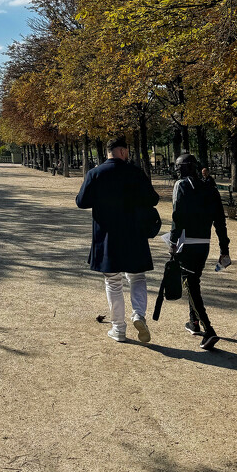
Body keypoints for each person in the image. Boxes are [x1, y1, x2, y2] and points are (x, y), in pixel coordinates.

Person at [76, 135, 161, 343]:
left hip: (107, 236)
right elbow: (154, 199)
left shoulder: (95, 173)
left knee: (113, 281)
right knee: (137, 277)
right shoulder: (135, 173)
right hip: (134, 235)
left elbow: (81, 202)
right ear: (122, 151)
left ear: (108, 151)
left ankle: (118, 328)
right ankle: (138, 314)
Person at [169, 153, 230, 350]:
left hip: (186, 242)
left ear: (186, 167)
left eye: (179, 166)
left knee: (190, 284)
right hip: (204, 243)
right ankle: (193, 322)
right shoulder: (210, 188)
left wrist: (172, 240)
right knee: (193, 281)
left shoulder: (182, 185)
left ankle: (208, 329)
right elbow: (220, 222)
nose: (176, 170)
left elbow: (178, 215)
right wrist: (224, 248)